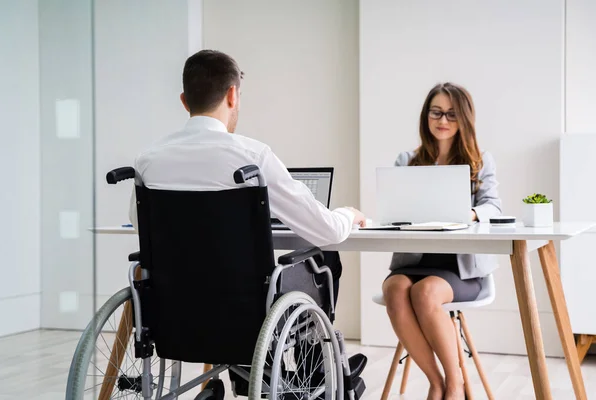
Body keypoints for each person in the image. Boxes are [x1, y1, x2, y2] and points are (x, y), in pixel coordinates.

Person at [127, 48, 367, 382]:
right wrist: (347, 213)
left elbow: (142, 227)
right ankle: (316, 373)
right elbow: (326, 230)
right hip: (244, 313)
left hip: (174, 312)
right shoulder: (251, 157)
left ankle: (247, 376)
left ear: (185, 100)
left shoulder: (148, 161)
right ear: (232, 94)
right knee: (325, 256)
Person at [382, 82, 502, 400]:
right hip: (416, 262)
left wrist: (470, 213)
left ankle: (455, 382)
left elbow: (494, 207)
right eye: (436, 112)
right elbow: (394, 209)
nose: (443, 120)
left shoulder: (480, 161)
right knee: (394, 289)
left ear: (463, 117)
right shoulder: (407, 160)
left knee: (426, 293)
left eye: (451, 113)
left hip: (462, 270)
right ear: (426, 116)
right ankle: (437, 382)